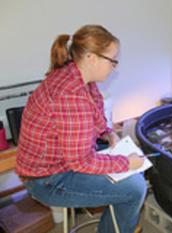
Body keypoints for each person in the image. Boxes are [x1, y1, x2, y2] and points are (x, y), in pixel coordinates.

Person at [16, 25, 147, 233]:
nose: (114, 66)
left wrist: (108, 132)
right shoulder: (71, 96)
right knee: (136, 188)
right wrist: (127, 162)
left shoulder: (76, 74)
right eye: (112, 60)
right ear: (91, 58)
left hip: (60, 164)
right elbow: (81, 162)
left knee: (128, 177)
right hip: (47, 180)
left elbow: (96, 108)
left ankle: (117, 224)